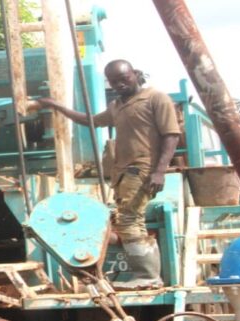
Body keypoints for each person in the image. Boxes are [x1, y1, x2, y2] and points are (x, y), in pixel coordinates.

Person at [38, 60, 181, 289]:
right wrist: (57, 106)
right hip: (123, 172)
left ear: (135, 74)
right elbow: (91, 121)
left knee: (129, 220)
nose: (120, 84)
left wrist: (160, 171)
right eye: (115, 82)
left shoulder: (156, 98)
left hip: (143, 169)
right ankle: (148, 275)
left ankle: (148, 276)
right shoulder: (118, 106)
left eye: (124, 79)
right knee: (131, 221)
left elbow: (171, 135)